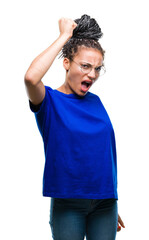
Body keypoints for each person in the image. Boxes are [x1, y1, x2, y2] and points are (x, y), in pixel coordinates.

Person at [24, 14, 125, 240]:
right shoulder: (49, 101)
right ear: (66, 63)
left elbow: (104, 155)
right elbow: (31, 78)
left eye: (98, 68)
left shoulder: (96, 102)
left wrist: (111, 197)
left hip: (105, 204)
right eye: (86, 66)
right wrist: (64, 36)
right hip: (68, 204)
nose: (92, 74)